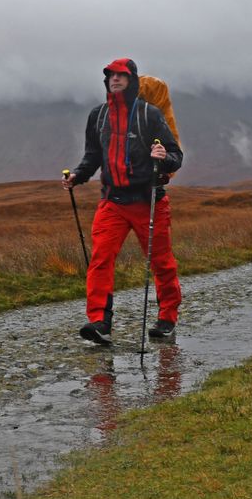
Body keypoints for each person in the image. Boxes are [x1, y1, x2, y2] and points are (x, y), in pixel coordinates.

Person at [62, 58, 184, 345]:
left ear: (132, 81)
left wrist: (163, 159)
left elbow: (176, 155)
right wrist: (78, 176)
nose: (115, 80)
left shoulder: (150, 115)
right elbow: (93, 156)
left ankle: (167, 319)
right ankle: (99, 322)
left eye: (121, 76)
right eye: (111, 76)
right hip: (112, 202)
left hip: (148, 201)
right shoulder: (98, 116)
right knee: (100, 260)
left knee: (162, 263)